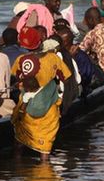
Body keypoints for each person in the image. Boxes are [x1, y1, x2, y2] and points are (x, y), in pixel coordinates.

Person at [11, 26, 72, 161]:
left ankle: (17, 169)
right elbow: (67, 79)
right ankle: (44, 174)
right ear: (40, 42)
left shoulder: (21, 60)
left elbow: (15, 78)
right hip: (48, 109)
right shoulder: (53, 58)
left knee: (19, 141)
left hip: (25, 108)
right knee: (45, 147)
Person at [56, 27, 95, 96]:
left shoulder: (81, 56)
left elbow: (86, 77)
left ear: (65, 42)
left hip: (79, 88)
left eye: (58, 41)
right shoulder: (58, 55)